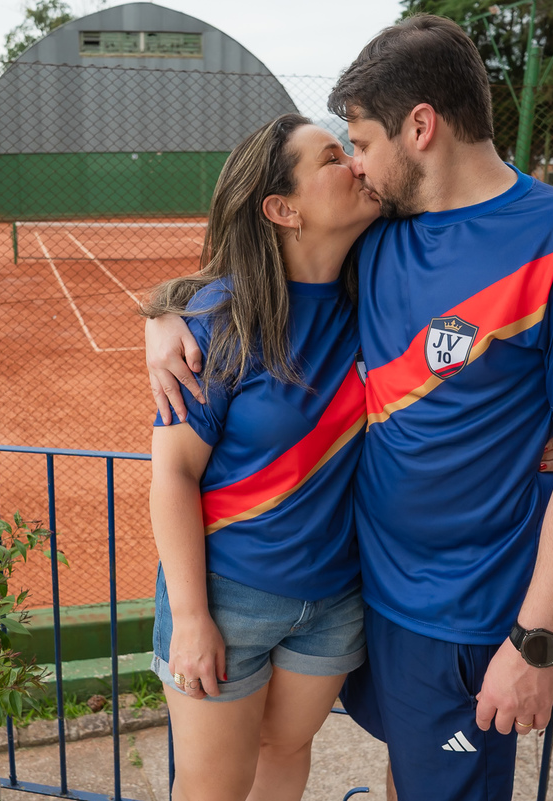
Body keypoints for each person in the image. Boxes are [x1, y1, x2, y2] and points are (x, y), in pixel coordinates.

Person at [144, 14, 553, 801]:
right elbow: (252, 275)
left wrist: (537, 640)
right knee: (391, 769)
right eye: (340, 152)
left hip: (459, 611)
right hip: (360, 590)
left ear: (420, 127)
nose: (355, 163)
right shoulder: (379, 238)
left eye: (358, 141)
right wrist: (162, 316)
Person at [146, 113, 378, 801]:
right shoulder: (219, 322)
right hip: (227, 597)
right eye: (332, 157)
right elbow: (173, 473)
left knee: (285, 753)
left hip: (336, 597)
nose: (355, 163)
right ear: (283, 209)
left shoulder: (380, 296)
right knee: (212, 788)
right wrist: (191, 617)